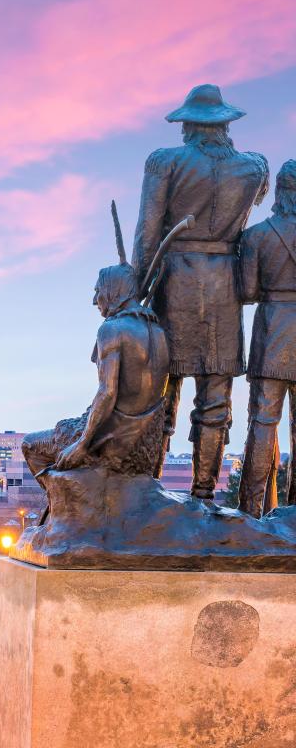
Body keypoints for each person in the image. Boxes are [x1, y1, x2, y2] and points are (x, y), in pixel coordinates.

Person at [132, 84, 269, 499]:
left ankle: (148, 488)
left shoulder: (164, 162)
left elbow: (148, 231)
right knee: (215, 396)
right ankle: (204, 491)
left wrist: (135, 293)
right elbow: (257, 201)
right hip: (226, 282)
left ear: (188, 125)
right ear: (226, 125)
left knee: (160, 390)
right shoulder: (255, 167)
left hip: (176, 280)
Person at [23, 239, 169, 482]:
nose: (95, 300)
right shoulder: (159, 333)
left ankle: (69, 510)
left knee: (30, 445)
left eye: (97, 291)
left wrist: (81, 445)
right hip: (145, 448)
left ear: (113, 290)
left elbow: (107, 393)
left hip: (112, 442)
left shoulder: (112, 329)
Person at [238, 160, 296, 517]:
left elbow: (246, 291)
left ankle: (250, 510)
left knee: (262, 422)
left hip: (272, 331)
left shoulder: (257, 236)